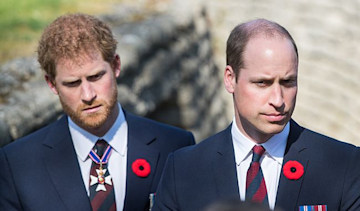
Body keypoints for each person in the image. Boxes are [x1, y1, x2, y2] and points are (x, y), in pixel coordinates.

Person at [153, 18, 360, 211]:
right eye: (262, 83)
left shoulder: (344, 164)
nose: (278, 100)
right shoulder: (183, 169)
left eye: (288, 82)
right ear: (230, 79)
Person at [0, 13, 195, 211]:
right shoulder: (17, 164)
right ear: (52, 84)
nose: (88, 94)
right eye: (72, 83)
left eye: (95, 77)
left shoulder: (175, 146)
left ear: (116, 66)